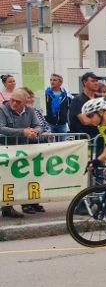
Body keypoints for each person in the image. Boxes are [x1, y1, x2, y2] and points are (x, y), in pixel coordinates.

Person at [0, 88, 49, 217]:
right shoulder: (3, 109)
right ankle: (6, 208)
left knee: (27, 176)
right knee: (8, 178)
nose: (14, 103)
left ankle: (28, 202)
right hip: (7, 149)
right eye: (12, 100)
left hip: (24, 149)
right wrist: (23, 132)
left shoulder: (30, 110)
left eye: (18, 102)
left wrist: (35, 132)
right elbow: (2, 128)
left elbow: (39, 125)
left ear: (25, 102)